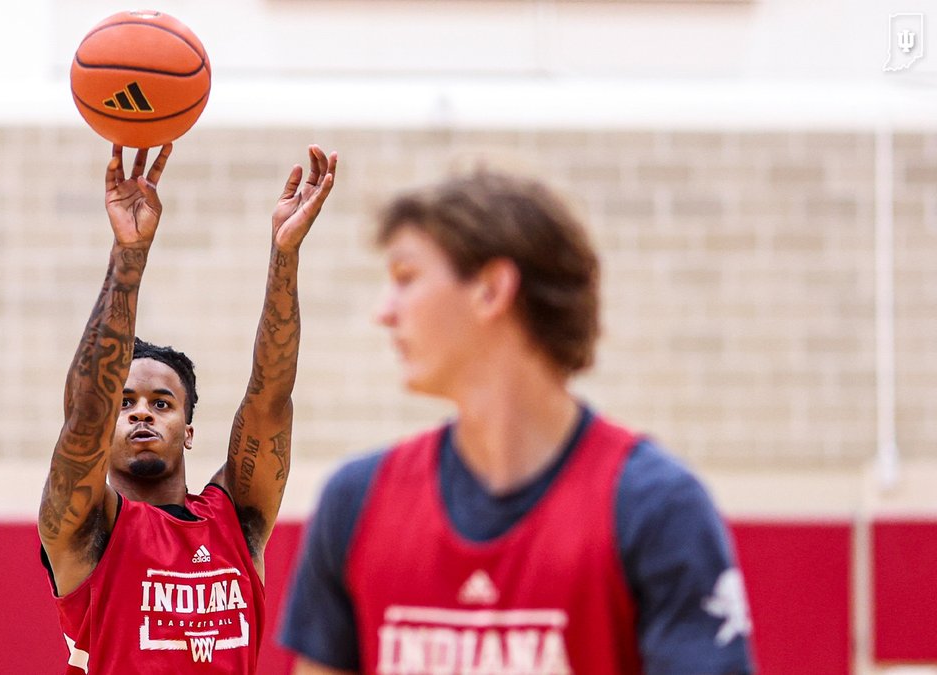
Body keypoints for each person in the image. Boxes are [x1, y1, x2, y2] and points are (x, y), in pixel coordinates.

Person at [279, 171, 754, 674]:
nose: (384, 312)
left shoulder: (656, 507)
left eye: (405, 277)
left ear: (491, 289)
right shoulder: (355, 501)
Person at [38, 142, 337, 674]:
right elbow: (84, 415)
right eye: (125, 403)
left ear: (189, 430)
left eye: (161, 402)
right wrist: (129, 255)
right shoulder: (88, 531)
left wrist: (284, 256)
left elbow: (269, 400)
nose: (141, 413)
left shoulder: (237, 522)